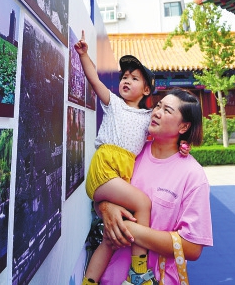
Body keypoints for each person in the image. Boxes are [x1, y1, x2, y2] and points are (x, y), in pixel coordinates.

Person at [96, 88, 213, 285]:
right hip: (111, 276)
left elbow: (192, 248)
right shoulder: (131, 153)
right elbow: (100, 194)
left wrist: (130, 229)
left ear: (183, 127)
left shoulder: (193, 175)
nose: (156, 112)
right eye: (157, 105)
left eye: (167, 110)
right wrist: (107, 209)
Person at [74, 30, 157, 285]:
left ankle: (89, 281)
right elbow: (95, 80)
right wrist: (84, 55)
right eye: (124, 77)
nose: (126, 80)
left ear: (146, 89)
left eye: (134, 78)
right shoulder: (115, 104)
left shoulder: (149, 116)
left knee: (109, 240)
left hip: (122, 175)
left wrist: (184, 144)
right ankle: (139, 272)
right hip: (105, 168)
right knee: (143, 203)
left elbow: (169, 130)